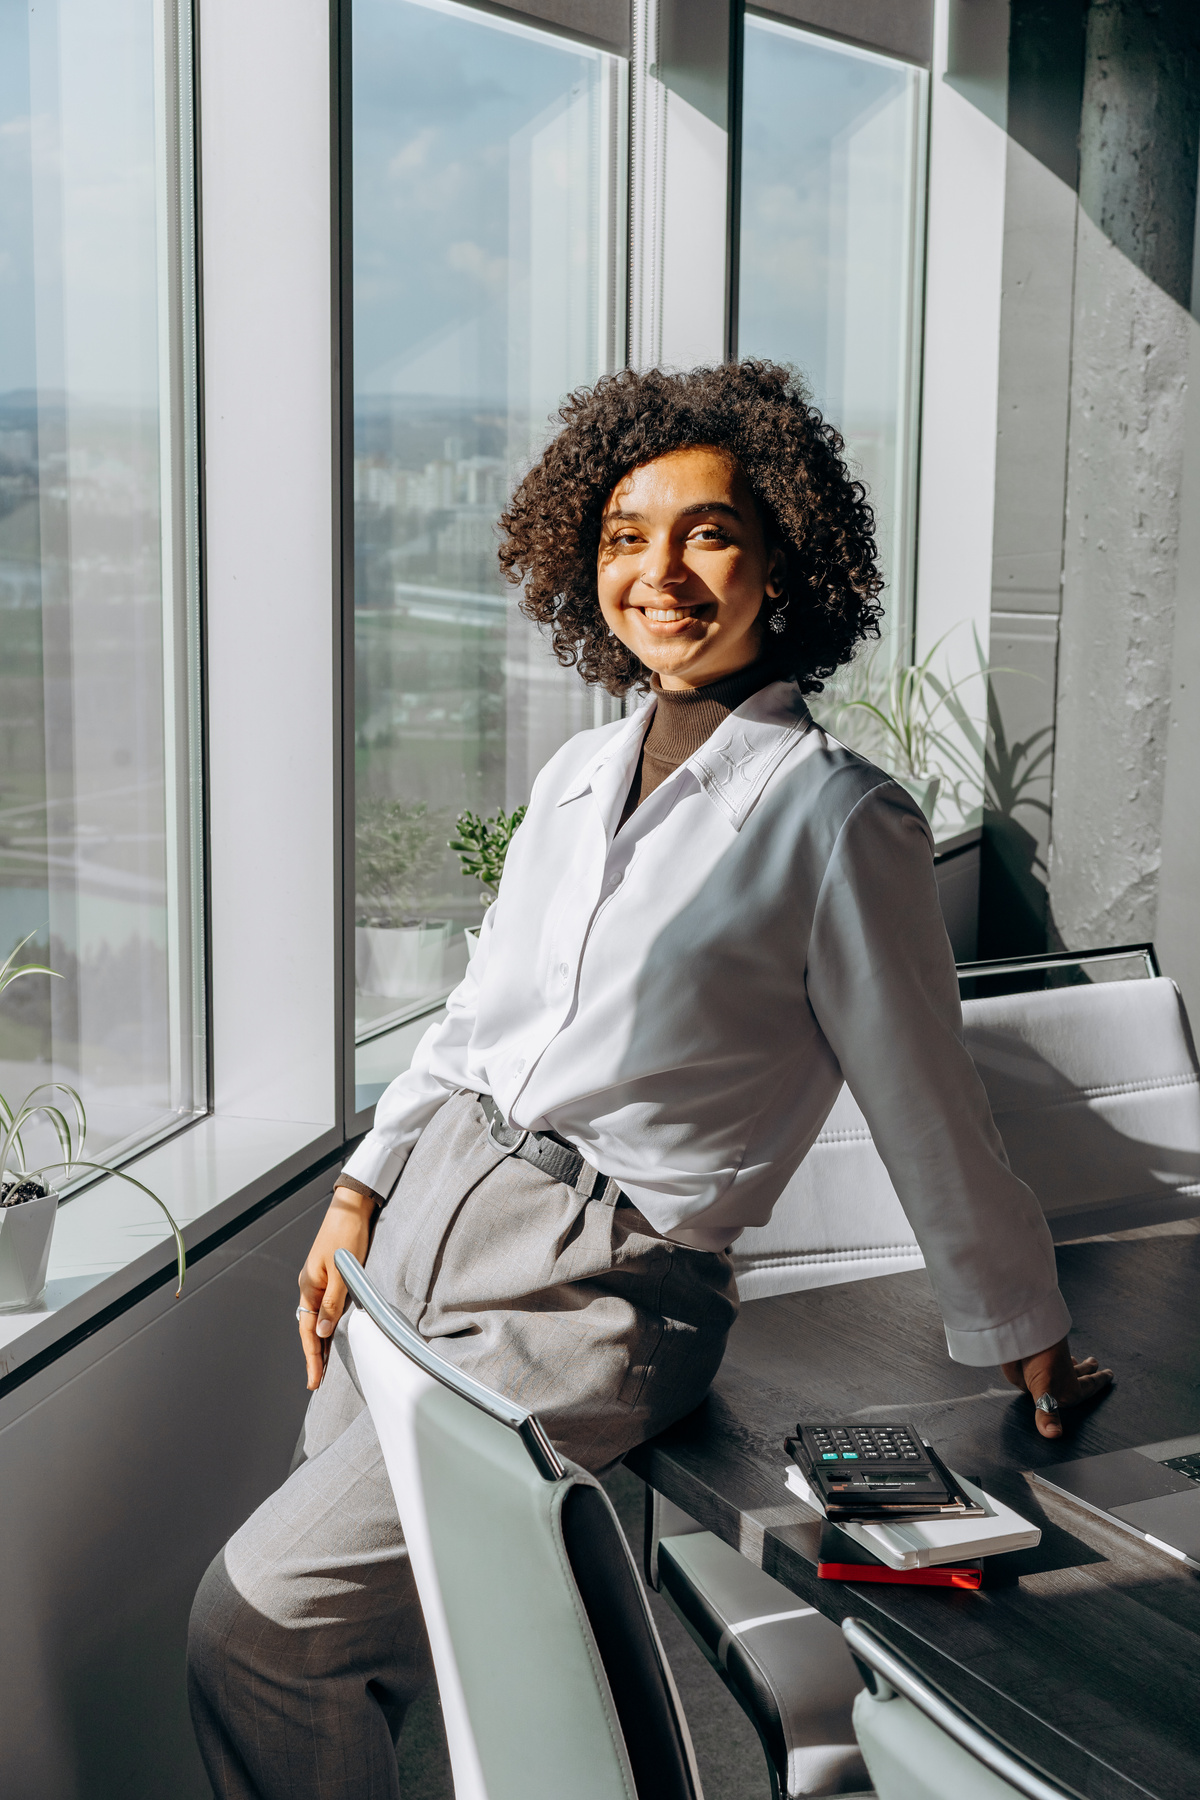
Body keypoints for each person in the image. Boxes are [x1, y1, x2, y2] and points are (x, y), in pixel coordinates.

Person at [187, 361, 1112, 1798]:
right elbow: (477, 1019)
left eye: (708, 533)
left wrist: (1024, 1330)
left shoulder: (836, 818)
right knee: (376, 1656)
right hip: (422, 1228)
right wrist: (360, 1190)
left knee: (260, 1629)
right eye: (626, 535)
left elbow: (930, 1106)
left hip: (587, 1291)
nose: (659, 572)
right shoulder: (577, 773)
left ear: (782, 564)